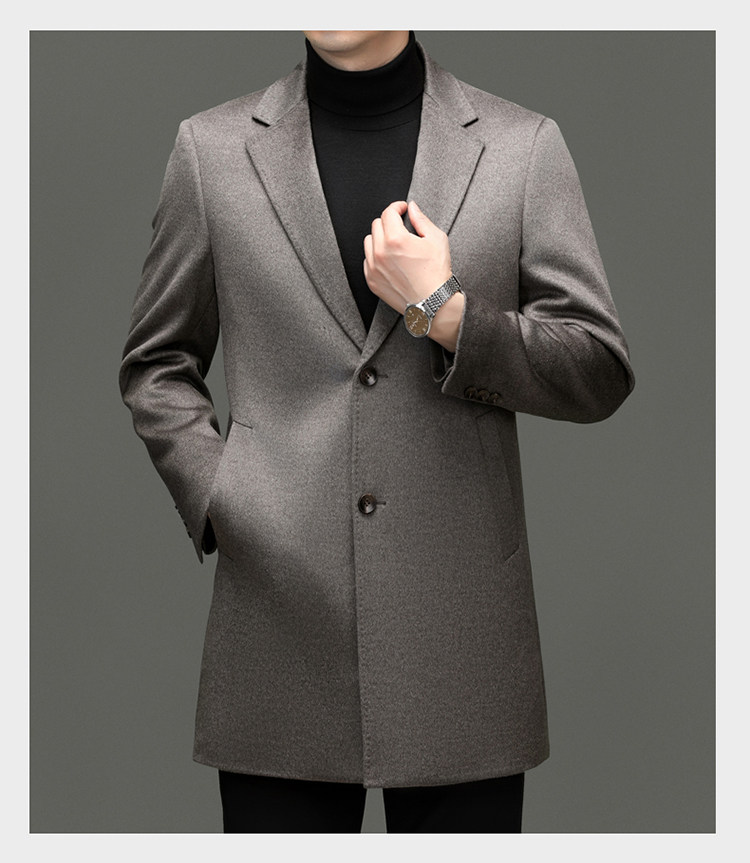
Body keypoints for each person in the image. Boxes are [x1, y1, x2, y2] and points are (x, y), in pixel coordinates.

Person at [119, 30, 635, 833]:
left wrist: (446, 312)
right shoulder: (211, 150)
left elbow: (598, 366)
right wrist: (226, 494)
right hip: (277, 627)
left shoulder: (521, 146)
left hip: (461, 638)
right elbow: (156, 362)